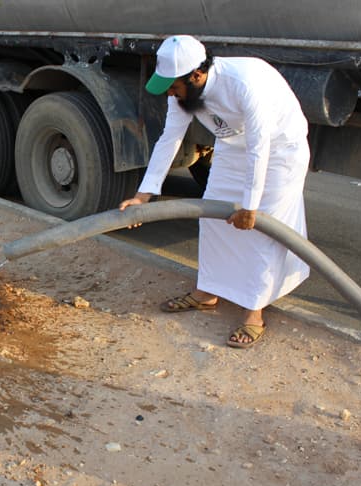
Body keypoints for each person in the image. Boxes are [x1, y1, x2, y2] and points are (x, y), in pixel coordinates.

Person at [119, 35, 310, 349]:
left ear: (196, 75)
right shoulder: (183, 94)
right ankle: (207, 292)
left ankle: (253, 313)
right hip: (234, 148)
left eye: (174, 86)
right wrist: (144, 195)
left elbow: (260, 147)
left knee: (261, 229)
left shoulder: (243, 83)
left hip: (278, 152)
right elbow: (170, 139)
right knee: (211, 218)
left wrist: (249, 206)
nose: (170, 93)